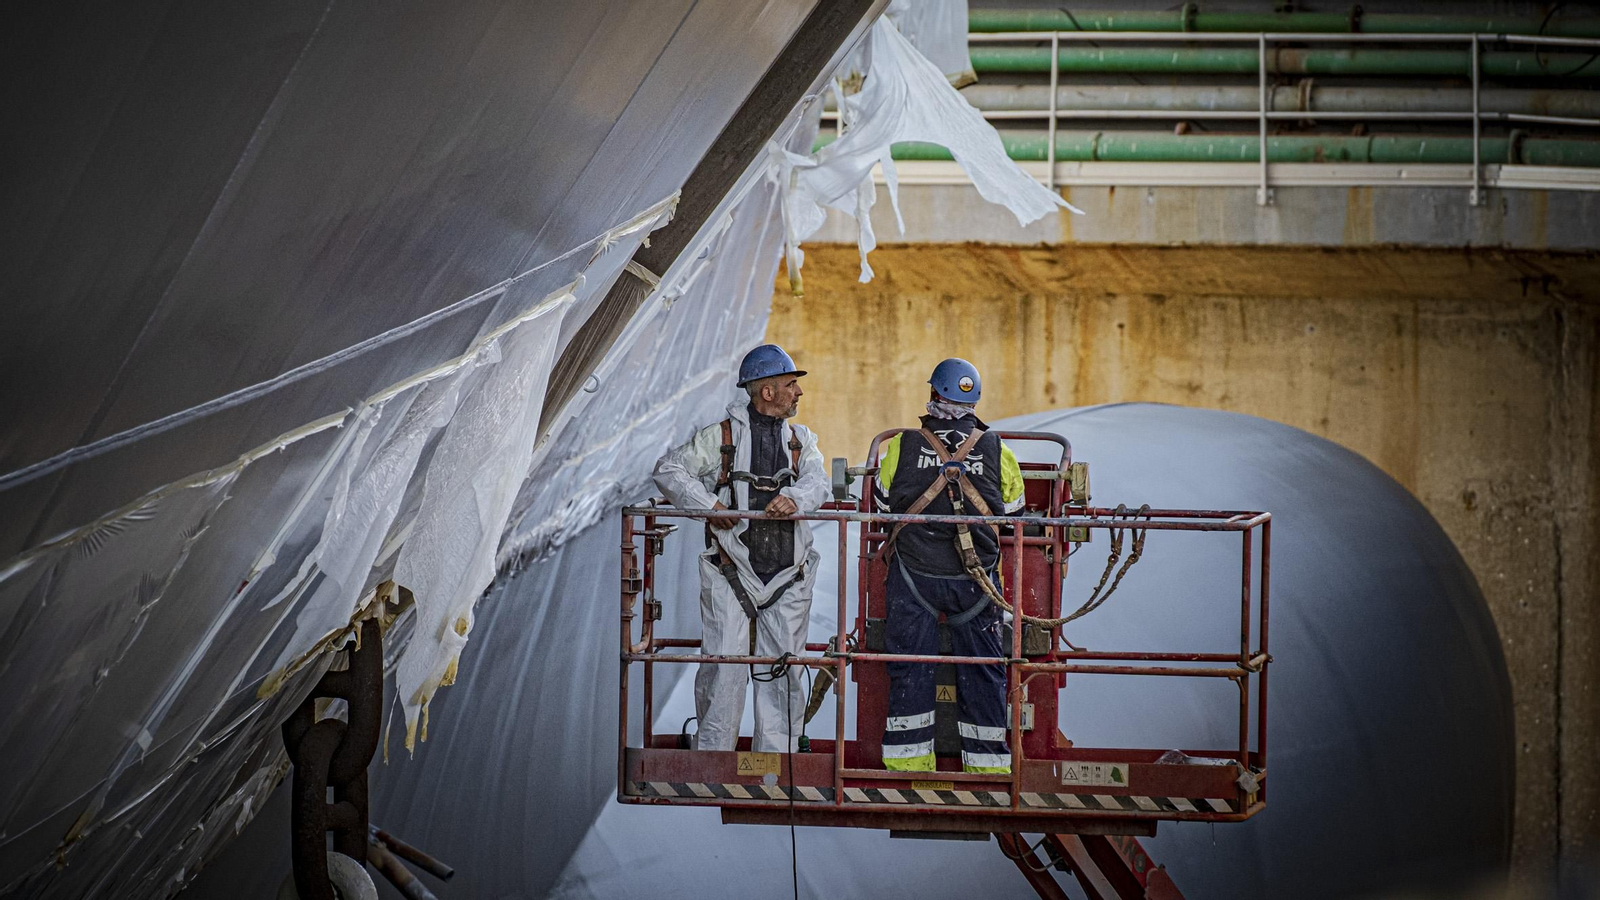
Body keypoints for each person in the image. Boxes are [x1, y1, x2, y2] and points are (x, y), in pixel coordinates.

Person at [653, 344, 829, 752]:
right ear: (767, 391)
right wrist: (710, 507)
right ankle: (714, 761)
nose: (799, 392)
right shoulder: (720, 438)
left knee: (783, 672)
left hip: (788, 577)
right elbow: (668, 471)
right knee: (724, 671)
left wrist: (796, 499)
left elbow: (817, 482)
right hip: (729, 573)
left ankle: (776, 766)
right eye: (790, 384)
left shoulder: (801, 441)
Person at [875, 358, 1024, 774]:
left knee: (910, 667)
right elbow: (1015, 510)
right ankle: (987, 766)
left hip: (914, 577)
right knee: (984, 670)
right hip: (976, 582)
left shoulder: (902, 444)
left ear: (933, 394)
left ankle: (908, 765)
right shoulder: (997, 448)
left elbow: (882, 504)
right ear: (974, 401)